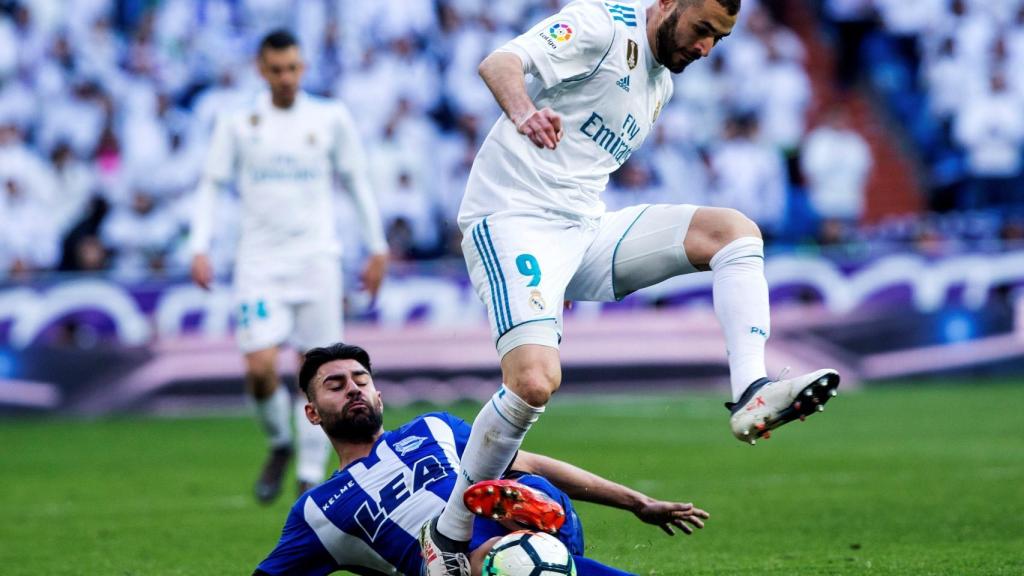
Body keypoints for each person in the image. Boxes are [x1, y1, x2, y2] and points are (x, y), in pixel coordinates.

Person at [420, 1, 841, 573]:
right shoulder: (600, 24)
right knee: (534, 383)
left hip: (585, 226)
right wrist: (523, 114)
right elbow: (499, 62)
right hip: (513, 218)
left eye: (718, 39)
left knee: (733, 233)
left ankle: (752, 393)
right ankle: (447, 536)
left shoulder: (661, 83)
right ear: (667, 3)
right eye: (701, 30)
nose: (705, 49)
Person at [253, 343, 709, 576]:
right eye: (335, 385)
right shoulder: (318, 512)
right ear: (311, 414)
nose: (352, 387)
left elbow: (532, 463)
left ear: (379, 394)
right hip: (478, 565)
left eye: (360, 379)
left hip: (532, 546)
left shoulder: (432, 428)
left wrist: (637, 503)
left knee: (520, 512)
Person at [189, 30, 389, 504]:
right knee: (260, 369)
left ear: (303, 68)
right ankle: (280, 442)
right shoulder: (238, 122)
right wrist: (200, 246)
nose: (286, 78)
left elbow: (357, 181)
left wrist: (376, 248)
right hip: (258, 262)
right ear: (262, 70)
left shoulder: (329, 116)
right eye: (277, 70)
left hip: (318, 259)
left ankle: (307, 476)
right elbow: (212, 186)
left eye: (293, 68)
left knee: (321, 373)